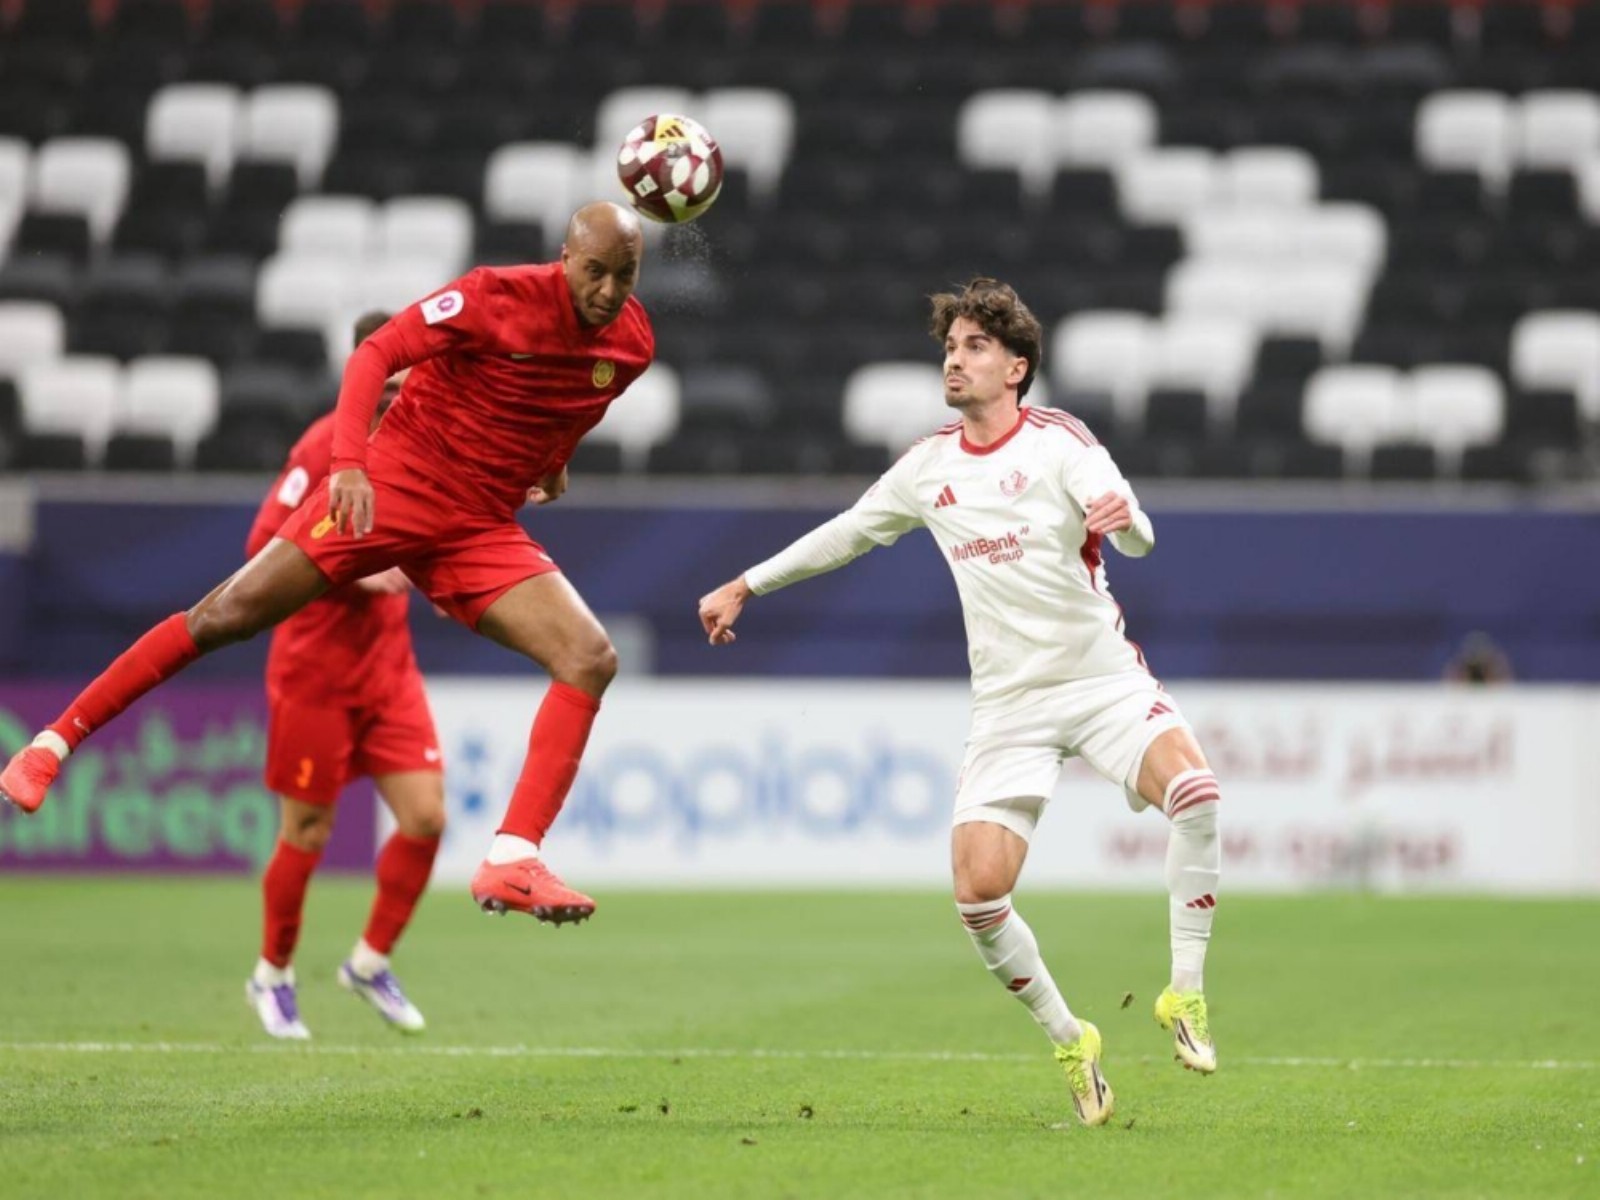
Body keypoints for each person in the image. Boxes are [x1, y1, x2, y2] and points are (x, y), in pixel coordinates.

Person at [2, 202, 654, 929]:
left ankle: (513, 853)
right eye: (594, 271)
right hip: (398, 482)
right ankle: (52, 744)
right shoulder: (493, 296)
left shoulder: (632, 345)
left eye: (623, 275)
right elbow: (375, 354)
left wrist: (554, 462)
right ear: (564, 258)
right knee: (226, 616)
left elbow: (575, 402)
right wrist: (349, 465)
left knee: (590, 657)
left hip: (477, 525)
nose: (606, 290)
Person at [697, 278, 1222, 1128]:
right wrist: (745, 584)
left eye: (976, 346)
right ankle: (1072, 1038)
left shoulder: (1061, 441)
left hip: (1101, 681)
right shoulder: (929, 467)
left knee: (1196, 793)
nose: (955, 359)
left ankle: (1184, 994)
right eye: (949, 346)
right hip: (1010, 708)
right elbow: (847, 532)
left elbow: (1137, 535)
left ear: (1017, 367)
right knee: (979, 897)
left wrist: (1124, 520)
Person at [244, 311, 444, 1040]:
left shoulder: (427, 441)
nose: (394, 395)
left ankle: (369, 962)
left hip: (388, 671)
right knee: (309, 828)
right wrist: (354, 574)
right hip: (315, 672)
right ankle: (272, 974)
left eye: (404, 382)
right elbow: (261, 546)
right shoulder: (323, 445)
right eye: (383, 383)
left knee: (426, 818)